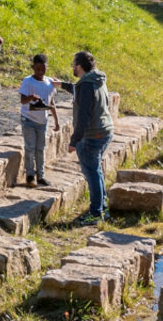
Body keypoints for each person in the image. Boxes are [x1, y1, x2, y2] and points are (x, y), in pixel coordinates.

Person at [61, 51, 114, 225]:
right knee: (96, 170)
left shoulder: (85, 86)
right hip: (105, 131)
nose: (72, 67)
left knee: (91, 173)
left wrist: (74, 141)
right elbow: (80, 91)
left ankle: (96, 212)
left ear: (79, 66)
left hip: (92, 136)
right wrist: (61, 84)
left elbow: (83, 118)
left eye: (74, 64)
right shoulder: (97, 79)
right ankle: (102, 206)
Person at [19, 54, 62, 187]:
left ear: (46, 67)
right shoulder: (28, 81)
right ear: (33, 67)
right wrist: (32, 97)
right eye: (37, 69)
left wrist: (56, 120)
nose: (40, 72)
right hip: (28, 119)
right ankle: (30, 175)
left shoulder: (50, 83)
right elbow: (22, 100)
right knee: (30, 147)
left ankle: (41, 175)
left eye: (42, 69)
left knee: (41, 149)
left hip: (43, 121)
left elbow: (51, 102)